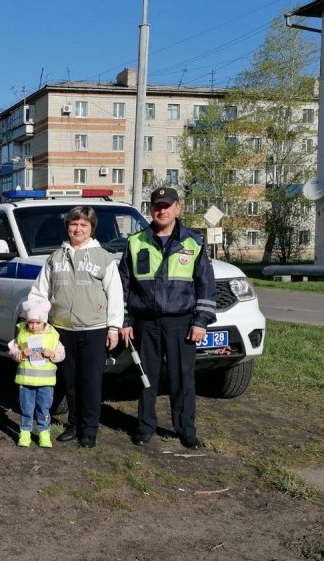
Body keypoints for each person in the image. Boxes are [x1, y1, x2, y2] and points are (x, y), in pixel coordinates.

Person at [119, 187, 216, 450]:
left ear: (177, 208)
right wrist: (125, 321)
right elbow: (123, 286)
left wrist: (200, 321)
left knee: (182, 378)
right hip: (145, 323)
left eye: (167, 205)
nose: (162, 210)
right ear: (150, 210)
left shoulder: (193, 242)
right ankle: (145, 427)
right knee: (145, 378)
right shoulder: (136, 241)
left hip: (181, 323)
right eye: (157, 206)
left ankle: (186, 430)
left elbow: (205, 285)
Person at [29, 205, 124, 448]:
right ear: (67, 227)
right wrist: (37, 321)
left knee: (90, 381)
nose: (78, 228)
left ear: (92, 228)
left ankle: (89, 430)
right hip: (62, 329)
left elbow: (115, 294)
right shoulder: (55, 258)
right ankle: (73, 424)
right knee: (69, 381)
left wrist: (113, 327)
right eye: (74, 224)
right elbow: (40, 292)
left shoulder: (103, 258)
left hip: (94, 328)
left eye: (83, 225)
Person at [8, 297, 65, 448]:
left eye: (37, 323)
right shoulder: (21, 334)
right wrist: (21, 353)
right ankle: (25, 432)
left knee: (43, 408)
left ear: (44, 322)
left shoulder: (53, 336)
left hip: (45, 382)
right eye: (30, 322)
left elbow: (61, 353)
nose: (33, 326)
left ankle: (43, 433)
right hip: (26, 380)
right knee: (26, 408)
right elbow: (12, 351)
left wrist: (52, 354)